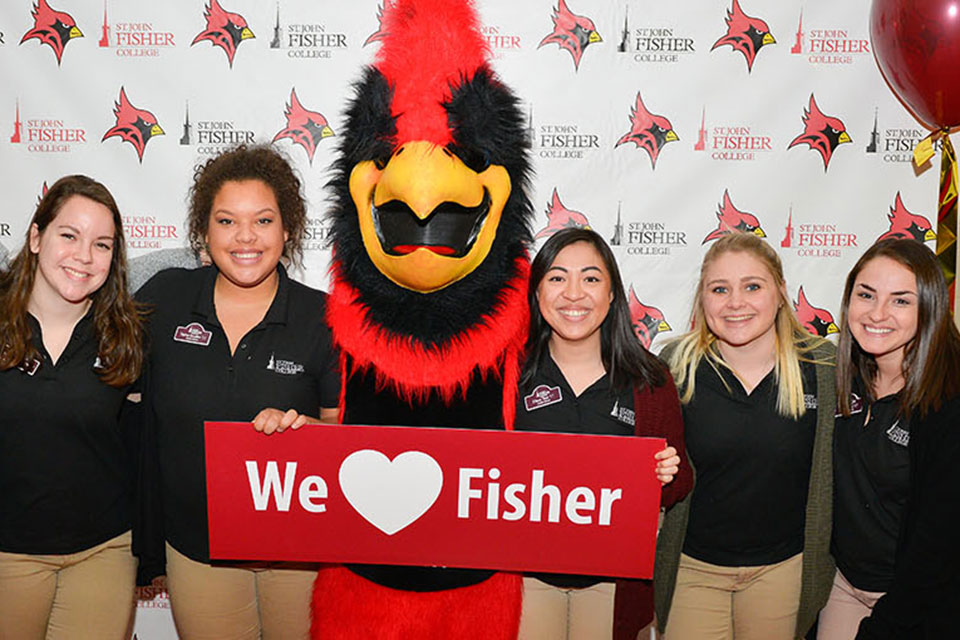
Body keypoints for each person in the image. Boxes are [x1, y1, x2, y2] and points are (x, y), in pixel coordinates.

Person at [135, 145, 339, 640]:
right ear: (205, 232)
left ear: (287, 229)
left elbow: (345, 436)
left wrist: (313, 434)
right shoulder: (164, 299)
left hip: (299, 555)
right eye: (227, 221)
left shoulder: (324, 319)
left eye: (263, 220)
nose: (245, 237)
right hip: (197, 551)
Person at [514, 228, 693, 640]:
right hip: (526, 582)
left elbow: (681, 483)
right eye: (557, 278)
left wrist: (666, 474)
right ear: (537, 293)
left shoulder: (650, 379)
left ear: (612, 294)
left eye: (591, 278)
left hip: (613, 586)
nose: (574, 293)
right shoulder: (508, 374)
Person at [657, 232, 836, 640]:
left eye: (752, 286)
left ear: (780, 292)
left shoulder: (822, 365)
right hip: (693, 570)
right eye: (720, 289)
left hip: (782, 571)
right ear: (704, 300)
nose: (735, 302)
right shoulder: (674, 366)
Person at [0, 175, 144, 640]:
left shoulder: (129, 337)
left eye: (101, 245)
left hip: (103, 553)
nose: (84, 256)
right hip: (7, 556)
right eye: (69, 235)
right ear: (36, 237)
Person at [819, 238, 960, 640]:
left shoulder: (948, 401)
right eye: (866, 295)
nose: (877, 313)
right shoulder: (842, 374)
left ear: (930, 306)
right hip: (844, 586)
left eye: (901, 300)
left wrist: (886, 624)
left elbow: (940, 545)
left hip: (917, 598)